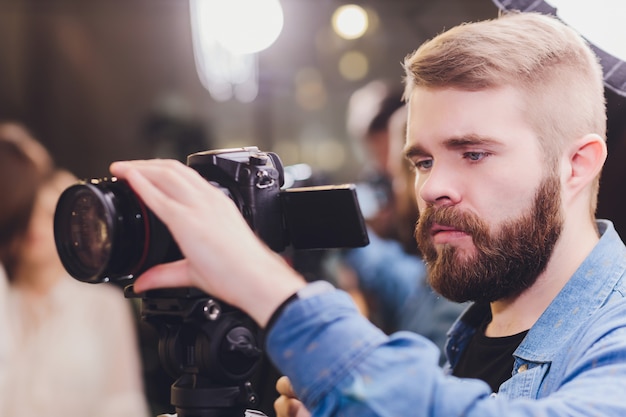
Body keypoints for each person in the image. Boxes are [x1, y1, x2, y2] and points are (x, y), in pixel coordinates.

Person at [108, 10, 626, 417]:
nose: (431, 188)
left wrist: (270, 289)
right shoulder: (466, 343)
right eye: (422, 160)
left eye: (473, 153)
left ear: (576, 164)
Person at [0, 122, 150, 417]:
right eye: (26, 214)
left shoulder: (102, 305)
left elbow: (124, 404)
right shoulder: (5, 296)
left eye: (50, 215)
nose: (35, 227)